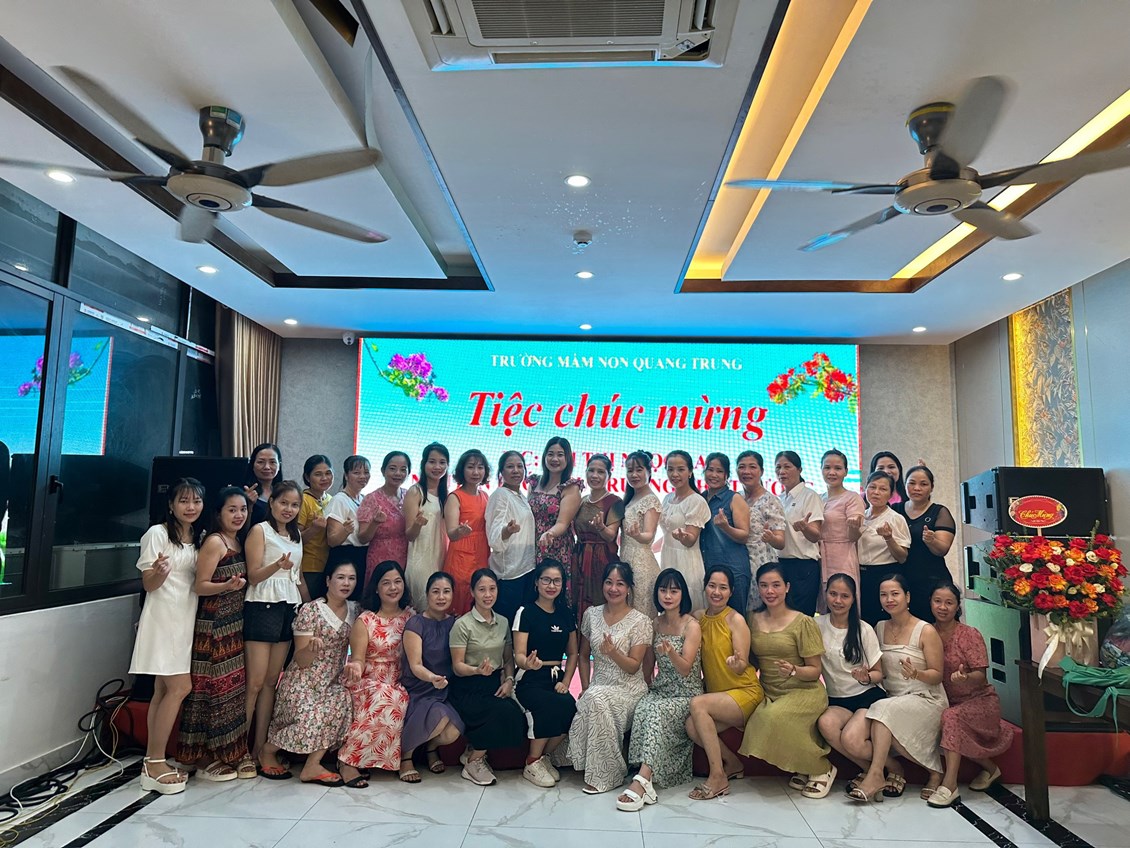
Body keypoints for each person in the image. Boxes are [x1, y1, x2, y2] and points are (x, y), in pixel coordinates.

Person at [129, 478, 205, 794]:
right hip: (164, 618)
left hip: (186, 618)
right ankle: (155, 761)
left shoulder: (198, 537)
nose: (190, 507)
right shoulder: (157, 534)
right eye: (184, 501)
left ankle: (152, 762)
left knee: (162, 690)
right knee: (179, 687)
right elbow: (148, 584)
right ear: (171, 505)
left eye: (196, 501)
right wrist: (159, 573)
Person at [843, 573, 947, 803]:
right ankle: (893, 769)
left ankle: (878, 775)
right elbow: (877, 669)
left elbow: (937, 675)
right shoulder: (879, 627)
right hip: (890, 699)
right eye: (884, 595)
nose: (889, 599)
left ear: (907, 597)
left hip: (925, 697)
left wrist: (917, 673)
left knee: (882, 711)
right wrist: (864, 675)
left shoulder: (925, 630)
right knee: (854, 737)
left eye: (895, 594)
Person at [259, 560, 359, 785]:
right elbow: (301, 660)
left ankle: (312, 765)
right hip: (303, 680)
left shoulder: (356, 610)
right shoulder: (311, 610)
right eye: (340, 577)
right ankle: (267, 750)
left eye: (351, 578)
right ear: (328, 581)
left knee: (341, 701)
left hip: (333, 680)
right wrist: (311, 650)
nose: (346, 583)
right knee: (310, 715)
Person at [739, 563, 834, 799]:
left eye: (776, 585)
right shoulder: (751, 619)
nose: (770, 591)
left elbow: (815, 670)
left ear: (787, 587)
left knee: (773, 718)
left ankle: (822, 767)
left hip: (804, 690)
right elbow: (751, 660)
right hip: (769, 691)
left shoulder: (803, 622)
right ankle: (803, 765)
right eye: (764, 585)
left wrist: (794, 670)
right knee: (760, 718)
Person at [176, 487, 252, 781]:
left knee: (228, 692)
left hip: (233, 625)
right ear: (219, 513)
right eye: (232, 509)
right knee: (210, 692)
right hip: (214, 627)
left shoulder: (238, 540)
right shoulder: (215, 542)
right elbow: (200, 585)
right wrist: (226, 586)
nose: (238, 515)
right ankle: (202, 757)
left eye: (242, 509)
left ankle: (226, 753)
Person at [617, 569, 702, 812]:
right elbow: (648, 664)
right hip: (661, 689)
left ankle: (643, 781)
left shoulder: (691, 625)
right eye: (663, 590)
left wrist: (671, 652)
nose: (668, 596)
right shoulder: (655, 623)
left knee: (657, 712)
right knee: (643, 707)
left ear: (682, 594)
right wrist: (645, 685)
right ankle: (642, 769)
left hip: (686, 692)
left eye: (674, 591)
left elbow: (685, 669)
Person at [566, 561, 652, 794]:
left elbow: (634, 667)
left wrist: (613, 652)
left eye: (620, 584)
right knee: (594, 697)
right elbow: (583, 656)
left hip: (629, 689)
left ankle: (607, 775)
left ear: (629, 588)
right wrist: (585, 686)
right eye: (609, 582)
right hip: (598, 686)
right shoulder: (591, 614)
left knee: (597, 699)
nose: (613, 589)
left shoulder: (641, 621)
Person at [928, 581, 1013, 807]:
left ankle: (949, 785)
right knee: (942, 716)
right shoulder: (927, 632)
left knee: (951, 718)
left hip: (979, 701)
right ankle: (991, 769)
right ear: (930, 603)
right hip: (944, 701)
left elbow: (981, 676)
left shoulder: (969, 634)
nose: (942, 607)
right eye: (937, 601)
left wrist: (965, 677)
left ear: (958, 606)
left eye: (949, 603)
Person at [685, 565, 762, 801]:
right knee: (691, 726)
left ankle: (717, 776)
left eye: (723, 587)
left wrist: (736, 663)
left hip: (744, 692)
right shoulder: (698, 618)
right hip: (718, 698)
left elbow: (742, 663)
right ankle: (733, 763)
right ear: (704, 587)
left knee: (698, 704)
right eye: (712, 586)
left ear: (731, 592)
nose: (716, 592)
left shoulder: (735, 620)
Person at [243, 480, 304, 763]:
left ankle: (259, 748)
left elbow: (297, 577)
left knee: (271, 682)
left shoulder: (297, 535)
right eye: (283, 503)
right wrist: (276, 565)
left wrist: (311, 605)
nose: (288, 509)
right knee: (254, 683)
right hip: (262, 605)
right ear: (272, 503)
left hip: (288, 607)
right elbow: (253, 576)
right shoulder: (260, 530)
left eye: (294, 505)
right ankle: (238, 750)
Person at [448, 568, 528, 786]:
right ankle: (473, 761)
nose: (488, 594)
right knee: (501, 713)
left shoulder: (503, 622)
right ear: (472, 592)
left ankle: (473, 752)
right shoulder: (462, 625)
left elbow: (508, 659)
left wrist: (509, 680)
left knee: (515, 714)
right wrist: (476, 670)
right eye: (482, 589)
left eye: (492, 589)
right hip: (467, 686)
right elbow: (457, 666)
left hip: (493, 683)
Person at [337, 561, 414, 784]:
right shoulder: (366, 620)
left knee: (396, 695)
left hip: (397, 678)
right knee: (385, 696)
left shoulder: (411, 617)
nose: (393, 587)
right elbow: (358, 659)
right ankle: (348, 761)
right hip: (367, 679)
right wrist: (355, 667)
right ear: (377, 588)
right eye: (386, 583)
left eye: (397, 582)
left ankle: (365, 759)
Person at [512, 559, 579, 787]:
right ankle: (531, 762)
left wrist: (566, 681)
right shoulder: (525, 612)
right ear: (537, 582)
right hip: (529, 678)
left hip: (555, 677)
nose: (551, 585)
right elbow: (519, 655)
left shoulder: (566, 614)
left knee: (569, 708)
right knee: (546, 705)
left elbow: (573, 653)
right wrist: (528, 664)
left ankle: (543, 758)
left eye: (557, 581)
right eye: (546, 580)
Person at [815, 574, 885, 790]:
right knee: (825, 724)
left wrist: (866, 677)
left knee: (852, 740)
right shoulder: (816, 624)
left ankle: (891, 768)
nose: (838, 600)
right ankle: (874, 770)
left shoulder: (864, 629)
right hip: (836, 699)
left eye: (844, 596)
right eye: (833, 594)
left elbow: (879, 673)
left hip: (866, 696)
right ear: (825, 595)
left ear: (854, 599)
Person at [400, 572, 464, 778]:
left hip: (444, 690)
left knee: (453, 732)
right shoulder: (416, 623)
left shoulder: (455, 623)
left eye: (446, 592)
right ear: (427, 594)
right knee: (440, 716)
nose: (441, 597)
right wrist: (432, 678)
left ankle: (430, 748)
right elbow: (415, 665)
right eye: (436, 592)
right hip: (420, 687)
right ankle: (406, 756)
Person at [894, 466, 958, 621]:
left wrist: (932, 540)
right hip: (902, 580)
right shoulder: (895, 509)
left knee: (934, 625)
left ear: (932, 487)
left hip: (931, 579)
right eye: (912, 483)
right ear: (905, 485)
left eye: (923, 484)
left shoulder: (940, 512)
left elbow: (942, 549)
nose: (917, 488)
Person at [485, 450, 537, 625]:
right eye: (510, 466)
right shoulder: (501, 495)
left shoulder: (521, 496)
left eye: (519, 466)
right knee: (507, 627)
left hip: (526, 570)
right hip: (509, 575)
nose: (515, 470)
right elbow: (494, 537)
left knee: (520, 626)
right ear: (501, 472)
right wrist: (507, 531)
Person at [857, 471, 912, 625]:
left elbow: (902, 557)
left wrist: (889, 538)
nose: (876, 492)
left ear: (890, 494)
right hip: (861, 575)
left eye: (883, 489)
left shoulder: (895, 518)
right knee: (864, 623)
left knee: (882, 623)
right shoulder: (860, 516)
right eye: (872, 487)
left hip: (885, 575)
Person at [700, 453, 752, 612]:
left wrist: (725, 527)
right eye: (710, 470)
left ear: (726, 475)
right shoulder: (700, 498)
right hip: (709, 569)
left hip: (734, 569)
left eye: (719, 471)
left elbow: (744, 535)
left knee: (735, 619)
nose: (714, 475)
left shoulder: (734, 498)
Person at [775, 451, 824, 616]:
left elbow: (815, 535)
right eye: (778, 467)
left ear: (799, 469)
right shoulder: (779, 499)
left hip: (803, 567)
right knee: (782, 616)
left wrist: (805, 527)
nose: (782, 472)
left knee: (801, 618)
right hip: (780, 564)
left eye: (787, 467)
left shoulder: (810, 496)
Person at [572, 454, 621, 619]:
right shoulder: (581, 500)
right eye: (591, 470)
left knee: (600, 602)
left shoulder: (615, 501)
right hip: (579, 558)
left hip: (602, 559)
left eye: (600, 472)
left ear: (609, 475)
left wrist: (601, 528)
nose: (595, 475)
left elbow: (611, 536)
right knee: (577, 600)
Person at [660, 450, 710, 609]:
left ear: (690, 472)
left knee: (688, 610)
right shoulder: (667, 498)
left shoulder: (696, 501)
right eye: (670, 469)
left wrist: (683, 537)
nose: (674, 474)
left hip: (687, 562)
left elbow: (690, 540)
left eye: (680, 469)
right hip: (668, 557)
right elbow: (667, 531)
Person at [445, 449, 492, 616]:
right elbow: (451, 533)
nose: (476, 472)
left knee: (480, 593)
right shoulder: (455, 497)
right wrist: (460, 531)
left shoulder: (486, 496)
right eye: (471, 467)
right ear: (461, 470)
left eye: (480, 467)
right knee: (460, 596)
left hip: (482, 552)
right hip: (461, 556)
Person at [737, 450, 785, 611]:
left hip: (760, 566)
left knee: (758, 614)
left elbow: (781, 542)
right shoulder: (735, 498)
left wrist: (771, 538)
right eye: (742, 467)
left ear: (762, 471)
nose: (746, 471)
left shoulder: (770, 500)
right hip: (737, 564)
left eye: (752, 467)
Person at [404, 443, 449, 610]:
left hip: (440, 558)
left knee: (440, 608)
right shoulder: (416, 492)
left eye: (442, 462)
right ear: (424, 464)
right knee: (424, 609)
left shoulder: (446, 494)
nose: (437, 467)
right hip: (420, 561)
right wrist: (417, 524)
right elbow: (409, 535)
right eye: (432, 462)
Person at [528, 436, 582, 572]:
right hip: (530, 546)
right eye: (550, 454)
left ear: (568, 458)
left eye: (560, 455)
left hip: (556, 547)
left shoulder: (571, 487)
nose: (555, 459)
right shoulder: (534, 482)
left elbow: (563, 523)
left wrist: (549, 534)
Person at [618, 450, 662, 617]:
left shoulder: (651, 500)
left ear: (649, 471)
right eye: (630, 470)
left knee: (641, 615)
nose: (634, 475)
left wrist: (637, 535)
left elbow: (649, 535)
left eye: (639, 470)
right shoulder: (629, 499)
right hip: (625, 560)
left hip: (641, 566)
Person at [357, 450, 410, 586]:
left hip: (407, 558)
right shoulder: (371, 499)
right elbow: (362, 538)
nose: (398, 473)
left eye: (403, 469)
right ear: (383, 470)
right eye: (392, 468)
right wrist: (375, 523)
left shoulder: (410, 496)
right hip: (380, 558)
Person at [819, 449, 865, 602]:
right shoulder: (818, 498)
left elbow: (854, 537)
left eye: (837, 468)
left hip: (843, 556)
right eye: (827, 467)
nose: (832, 472)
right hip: (820, 557)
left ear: (846, 471)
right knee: (824, 602)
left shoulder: (852, 498)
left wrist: (853, 526)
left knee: (842, 599)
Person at [325, 455, 371, 595]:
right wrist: (345, 531)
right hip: (344, 557)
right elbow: (332, 540)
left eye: (366, 472)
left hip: (363, 556)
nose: (362, 476)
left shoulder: (364, 499)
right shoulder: (339, 500)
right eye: (356, 472)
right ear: (346, 475)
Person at [297, 455, 334, 602]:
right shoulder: (303, 500)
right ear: (307, 477)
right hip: (309, 567)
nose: (324, 478)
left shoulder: (331, 499)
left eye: (328, 473)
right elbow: (294, 539)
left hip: (329, 565)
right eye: (318, 474)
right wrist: (313, 529)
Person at [243, 443, 282, 530]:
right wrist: (248, 505)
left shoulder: (282, 491)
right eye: (260, 462)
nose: (267, 467)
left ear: (279, 465)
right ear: (252, 465)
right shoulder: (244, 492)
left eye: (272, 462)